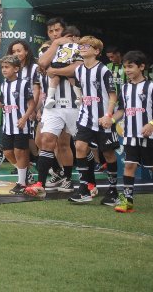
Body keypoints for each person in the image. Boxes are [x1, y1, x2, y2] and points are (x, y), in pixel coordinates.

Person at [50, 36, 118, 205]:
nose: (82, 47)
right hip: (85, 117)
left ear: (97, 51)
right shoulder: (79, 70)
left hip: (102, 118)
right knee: (80, 147)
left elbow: (112, 95)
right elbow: (79, 89)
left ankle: (113, 190)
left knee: (108, 153)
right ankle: (84, 188)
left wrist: (109, 115)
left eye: (87, 45)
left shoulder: (103, 70)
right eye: (80, 45)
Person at [30, 17, 77, 194]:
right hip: (52, 104)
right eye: (51, 31)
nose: (54, 34)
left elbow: (75, 69)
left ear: (65, 30)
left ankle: (69, 178)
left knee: (69, 145)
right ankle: (42, 182)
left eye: (57, 30)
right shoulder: (47, 48)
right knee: (45, 141)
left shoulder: (75, 47)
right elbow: (42, 64)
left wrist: (55, 70)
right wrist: (56, 44)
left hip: (73, 103)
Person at [111, 51, 153, 213]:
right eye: (125, 67)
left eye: (130, 66)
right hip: (130, 135)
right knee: (129, 166)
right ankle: (127, 201)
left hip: (149, 135)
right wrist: (112, 120)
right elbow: (122, 110)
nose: (127, 70)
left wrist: (150, 124)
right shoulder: (125, 88)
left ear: (142, 67)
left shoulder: (150, 87)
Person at [0, 55, 36, 194]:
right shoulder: (3, 85)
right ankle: (25, 173)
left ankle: (21, 182)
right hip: (8, 125)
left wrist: (24, 118)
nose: (4, 70)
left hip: (21, 124)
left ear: (16, 68)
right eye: (2, 67)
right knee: (8, 152)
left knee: (20, 152)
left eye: (7, 67)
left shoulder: (24, 83)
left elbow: (32, 103)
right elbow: (2, 104)